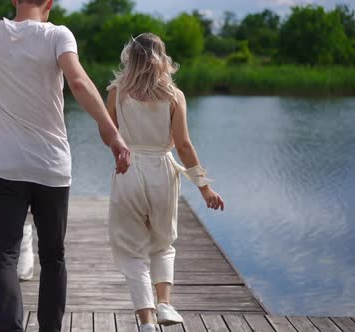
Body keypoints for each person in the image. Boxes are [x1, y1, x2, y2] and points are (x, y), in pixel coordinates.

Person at [0, 0, 131, 331]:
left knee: (4, 257)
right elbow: (77, 81)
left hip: (4, 168)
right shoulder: (58, 35)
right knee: (53, 257)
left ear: (15, 0)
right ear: (49, 2)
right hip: (51, 167)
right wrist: (111, 131)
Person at [106, 33, 225, 331]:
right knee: (162, 243)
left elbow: (108, 131)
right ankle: (165, 304)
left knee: (131, 249)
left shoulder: (117, 91)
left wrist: (121, 151)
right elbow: (183, 145)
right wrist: (204, 187)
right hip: (162, 169)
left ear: (129, 57)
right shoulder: (174, 95)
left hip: (128, 169)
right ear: (163, 59)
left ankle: (146, 322)